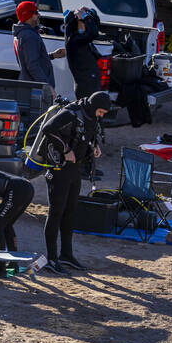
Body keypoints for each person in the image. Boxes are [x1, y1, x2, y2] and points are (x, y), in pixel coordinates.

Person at [39, 91, 110, 273]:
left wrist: (94, 146)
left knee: (70, 211)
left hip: (74, 169)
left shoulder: (91, 115)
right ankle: (52, 258)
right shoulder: (71, 112)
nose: (101, 116)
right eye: (101, 112)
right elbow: (48, 129)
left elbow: (87, 134)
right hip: (58, 167)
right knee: (56, 212)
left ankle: (66, 255)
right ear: (95, 107)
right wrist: (65, 149)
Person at [12, 0, 64, 89]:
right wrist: (47, 87)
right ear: (27, 15)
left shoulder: (22, 32)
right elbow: (32, 65)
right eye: (36, 13)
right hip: (35, 89)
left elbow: (30, 58)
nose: (39, 15)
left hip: (31, 85)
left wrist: (52, 55)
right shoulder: (29, 36)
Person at [64, 6, 102, 98]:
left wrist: (89, 14)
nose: (85, 25)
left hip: (89, 84)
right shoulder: (74, 40)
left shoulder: (81, 40)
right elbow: (93, 33)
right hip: (85, 88)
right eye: (82, 22)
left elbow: (95, 27)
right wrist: (85, 17)